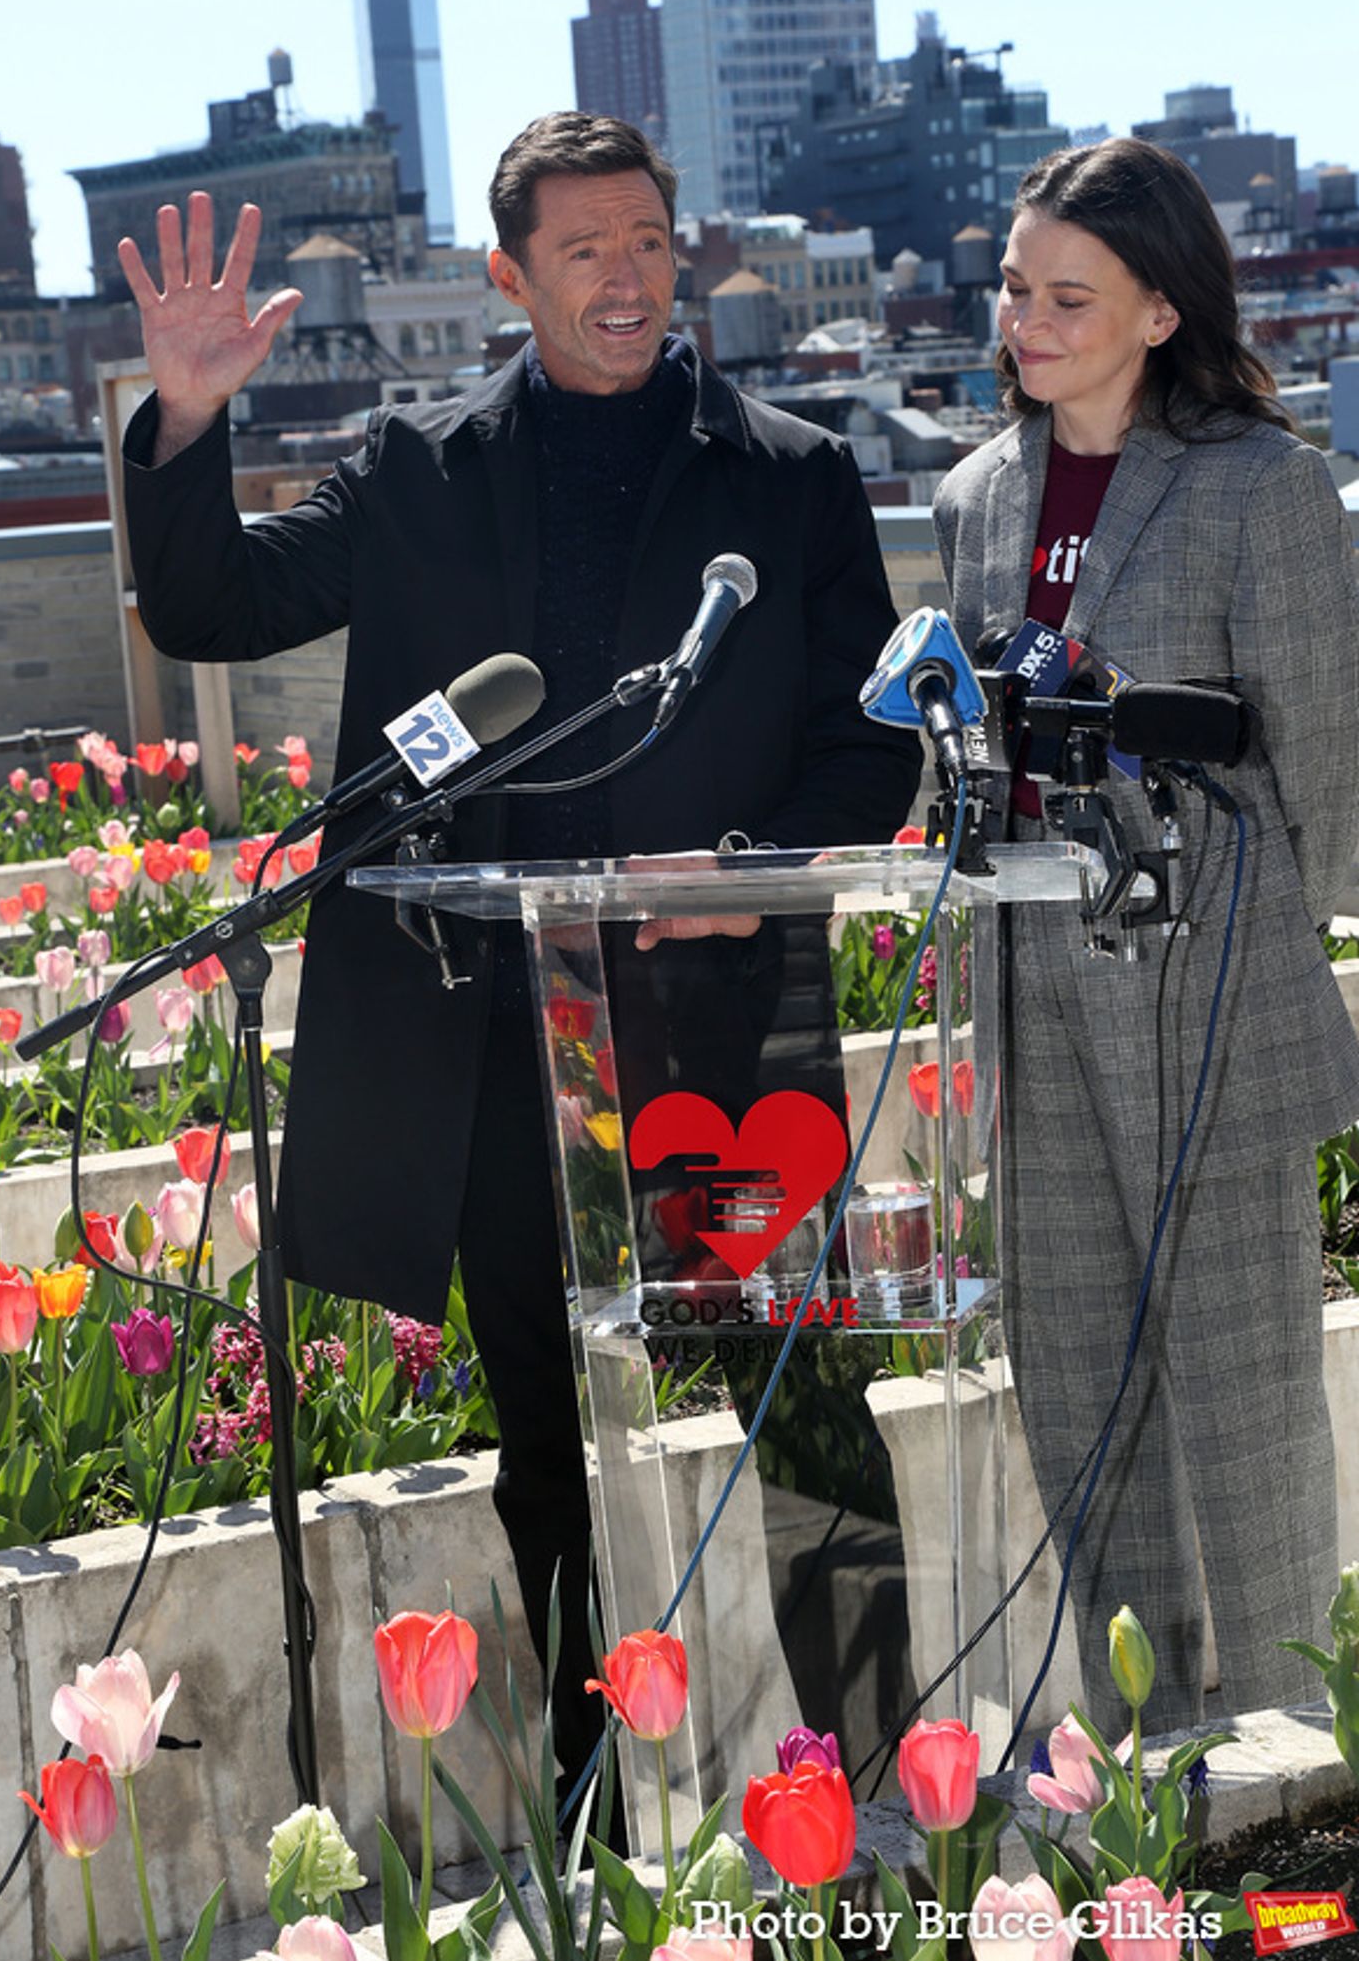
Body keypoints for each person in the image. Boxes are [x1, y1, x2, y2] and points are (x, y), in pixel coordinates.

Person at [115, 114, 922, 1792]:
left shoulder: (790, 472)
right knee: (550, 1454)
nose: (627, 279)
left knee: (804, 1428)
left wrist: (759, 863)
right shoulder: (415, 467)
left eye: (649, 240)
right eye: (584, 250)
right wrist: (189, 414)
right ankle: (599, 1804)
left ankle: (878, 1779)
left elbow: (871, 742)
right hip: (498, 1047)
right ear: (508, 274)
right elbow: (209, 610)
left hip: (719, 1028)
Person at [933, 136, 1359, 1736]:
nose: (1024, 320)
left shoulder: (1263, 481)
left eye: (1067, 295)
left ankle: (1302, 1779)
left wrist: (1251, 938)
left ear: (1162, 312)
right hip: (1032, 1010)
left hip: (1212, 998)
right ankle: (1152, 1768)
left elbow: (1327, 760)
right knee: (1083, 1415)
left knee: (1245, 1419)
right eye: (1012, 287)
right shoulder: (976, 493)